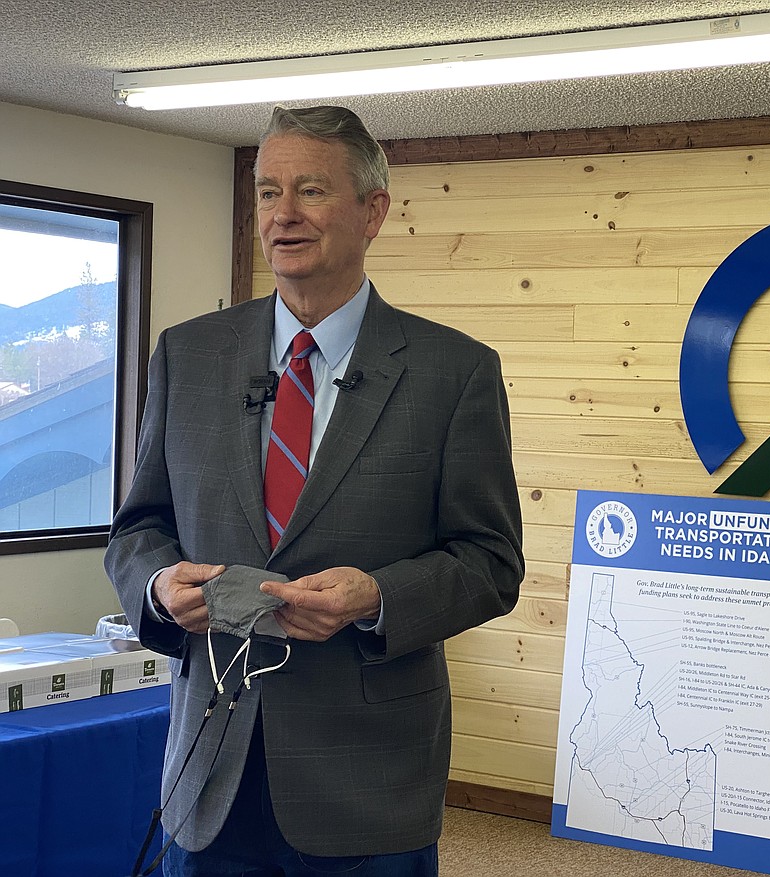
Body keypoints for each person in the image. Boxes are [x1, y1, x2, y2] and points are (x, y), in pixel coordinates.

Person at [105, 104, 524, 876]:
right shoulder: (187, 355)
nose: (283, 215)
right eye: (268, 193)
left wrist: (378, 594)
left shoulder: (453, 372)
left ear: (373, 212)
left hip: (369, 782)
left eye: (309, 191)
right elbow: (137, 529)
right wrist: (159, 585)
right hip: (210, 769)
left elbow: (491, 562)